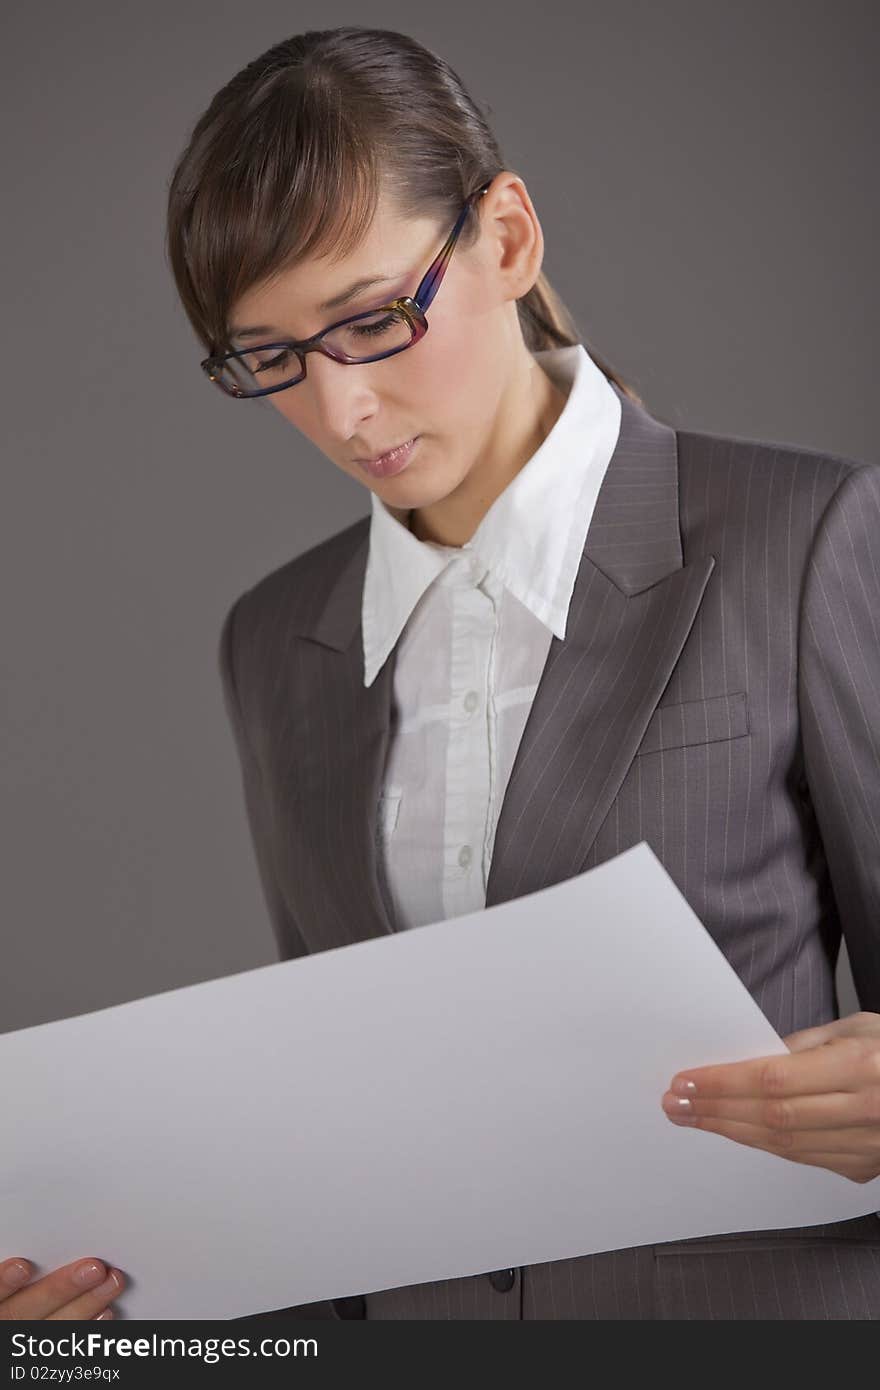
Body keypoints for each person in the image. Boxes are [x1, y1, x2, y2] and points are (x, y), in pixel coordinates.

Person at [7, 22, 877, 1324]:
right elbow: (354, 1137)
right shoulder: (276, 639)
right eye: (274, 359)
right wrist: (103, 1331)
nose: (341, 411)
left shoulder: (805, 541)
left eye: (372, 319)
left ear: (510, 240)